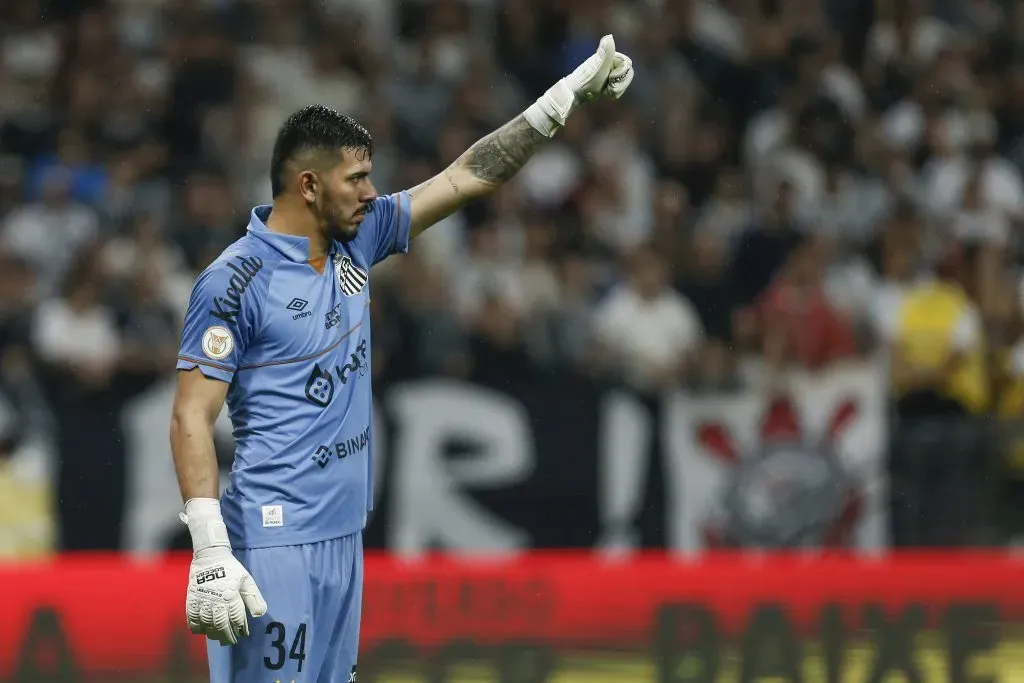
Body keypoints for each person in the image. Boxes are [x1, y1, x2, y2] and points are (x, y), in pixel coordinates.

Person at [169, 36, 633, 683]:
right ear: (309, 185)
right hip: (273, 541)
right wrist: (210, 549)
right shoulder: (234, 281)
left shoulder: (358, 239)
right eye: (356, 179)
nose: (371, 192)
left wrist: (560, 101)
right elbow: (191, 414)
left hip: (341, 535)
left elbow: (467, 175)